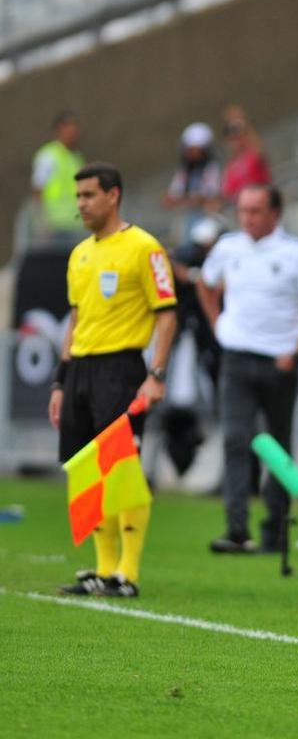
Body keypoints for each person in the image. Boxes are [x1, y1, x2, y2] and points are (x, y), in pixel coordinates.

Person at [51, 162, 178, 598]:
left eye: (89, 195)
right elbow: (76, 319)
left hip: (121, 369)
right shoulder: (80, 254)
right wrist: (60, 381)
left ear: (114, 195)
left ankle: (128, 571)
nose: (81, 204)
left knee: (121, 470)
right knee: (86, 472)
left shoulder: (144, 248)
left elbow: (166, 315)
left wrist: (156, 374)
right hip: (81, 370)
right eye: (78, 197)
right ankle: (104, 568)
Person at [199, 185, 298, 553]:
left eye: (256, 211)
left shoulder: (295, 253)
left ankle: (276, 528)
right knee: (235, 439)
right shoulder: (228, 248)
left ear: (275, 213)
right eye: (243, 211)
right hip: (237, 357)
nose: (248, 218)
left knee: (277, 445)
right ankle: (236, 528)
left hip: (278, 361)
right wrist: (217, 324)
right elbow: (205, 285)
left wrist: (296, 351)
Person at [163, 122, 223, 246]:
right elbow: (169, 199)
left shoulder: (213, 169)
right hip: (187, 223)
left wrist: (189, 200)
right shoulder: (184, 171)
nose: (191, 154)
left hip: (209, 221)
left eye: (196, 150)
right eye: (189, 149)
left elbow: (212, 199)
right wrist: (192, 199)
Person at [31, 110, 85, 243]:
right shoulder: (48, 156)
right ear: (60, 129)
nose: (74, 132)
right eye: (70, 127)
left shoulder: (76, 158)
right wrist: (42, 223)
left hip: (75, 224)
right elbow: (38, 189)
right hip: (54, 227)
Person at [220, 106, 271, 205]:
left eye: (238, 137)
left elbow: (260, 151)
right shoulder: (230, 166)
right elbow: (227, 193)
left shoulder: (253, 155)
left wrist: (240, 121)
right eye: (232, 138)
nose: (235, 142)